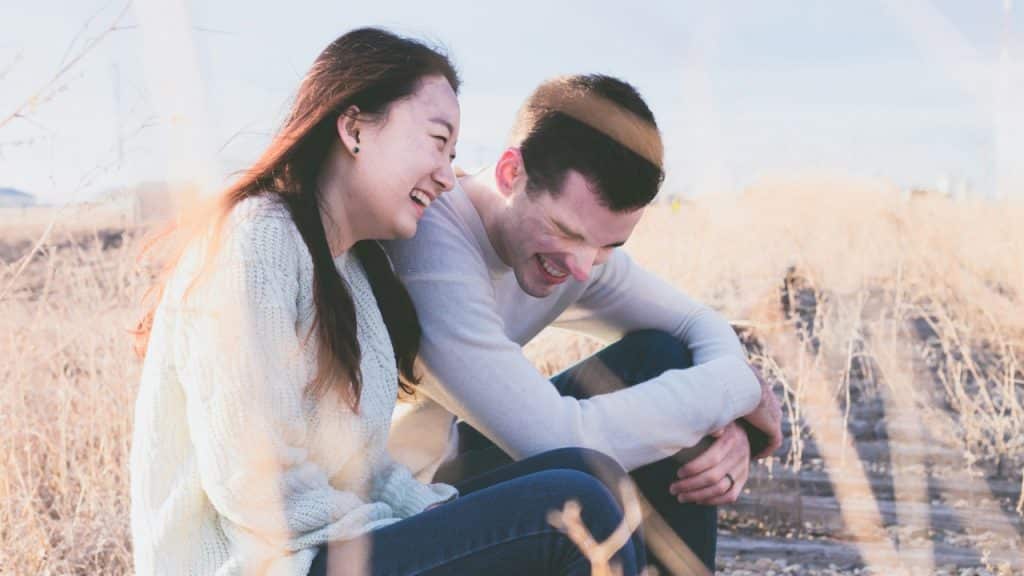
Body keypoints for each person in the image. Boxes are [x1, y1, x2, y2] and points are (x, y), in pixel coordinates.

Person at [130, 29, 644, 576]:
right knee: (569, 507)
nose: (448, 176)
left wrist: (439, 515)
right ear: (354, 129)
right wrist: (411, 531)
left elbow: (362, 467)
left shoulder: (349, 271)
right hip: (264, 563)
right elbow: (253, 481)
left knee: (587, 470)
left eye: (453, 154)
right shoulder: (256, 241)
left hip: (324, 548)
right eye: (436, 141)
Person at [385, 73, 784, 573]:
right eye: (565, 231)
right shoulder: (431, 247)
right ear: (512, 173)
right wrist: (736, 391)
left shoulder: (576, 251)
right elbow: (557, 440)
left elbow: (696, 323)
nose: (582, 265)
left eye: (608, 245)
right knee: (585, 481)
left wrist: (730, 426)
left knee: (664, 357)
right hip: (388, 515)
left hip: (446, 469)